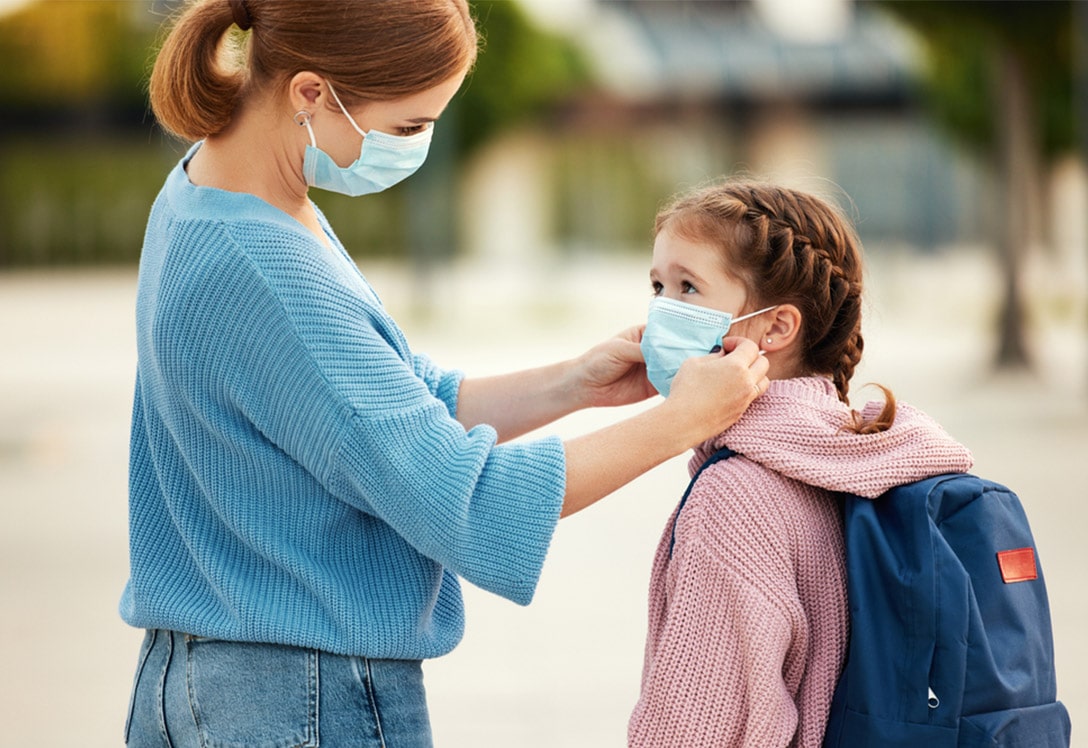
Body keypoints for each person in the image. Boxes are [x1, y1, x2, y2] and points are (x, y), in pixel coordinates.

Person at [120, 2, 771, 746]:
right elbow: (472, 504)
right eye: (406, 127)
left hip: (207, 682)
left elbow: (386, 409)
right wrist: (683, 420)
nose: (416, 147)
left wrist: (576, 384)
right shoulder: (268, 267)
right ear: (310, 94)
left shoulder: (216, 194)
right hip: (297, 697)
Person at [628, 180, 974, 747]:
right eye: (657, 285)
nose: (661, 311)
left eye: (688, 288)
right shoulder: (866, 457)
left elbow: (696, 724)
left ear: (776, 328)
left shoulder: (734, 496)